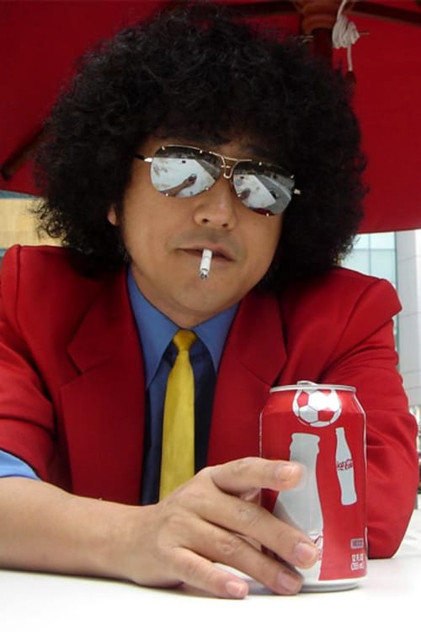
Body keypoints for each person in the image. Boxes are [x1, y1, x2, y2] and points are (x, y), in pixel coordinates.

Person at [0, 4, 418, 599]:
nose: (220, 212)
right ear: (112, 192)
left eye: (260, 183)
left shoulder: (345, 316)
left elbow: (376, 510)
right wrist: (133, 536)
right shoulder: (28, 296)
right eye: (181, 170)